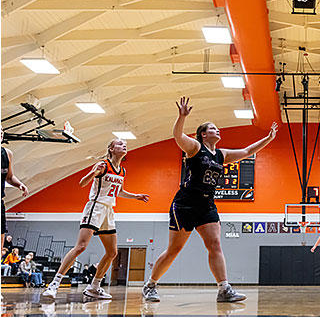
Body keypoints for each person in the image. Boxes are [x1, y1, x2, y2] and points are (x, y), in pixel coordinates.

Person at [142, 97, 278, 303]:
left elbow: (248, 151)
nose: (218, 130)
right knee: (174, 250)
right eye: (213, 128)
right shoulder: (195, 148)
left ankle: (224, 289)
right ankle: (150, 285)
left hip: (207, 204)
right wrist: (182, 117)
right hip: (185, 203)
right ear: (203, 134)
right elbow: (178, 136)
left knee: (215, 244)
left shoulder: (221, 155)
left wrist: (268, 138)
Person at [43, 139, 149, 300]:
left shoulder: (122, 171)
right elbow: (82, 183)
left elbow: (118, 191)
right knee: (81, 246)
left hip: (108, 210)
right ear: (112, 149)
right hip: (95, 206)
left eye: (125, 143)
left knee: (112, 252)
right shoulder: (103, 165)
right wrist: (93, 172)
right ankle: (54, 284)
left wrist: (136, 196)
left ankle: (94, 287)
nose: (124, 145)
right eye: (120, 144)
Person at [1, 127, 30, 248]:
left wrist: (19, 184)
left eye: (2, 130)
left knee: (1, 234)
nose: (1, 133)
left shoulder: (7, 154)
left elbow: (9, 176)